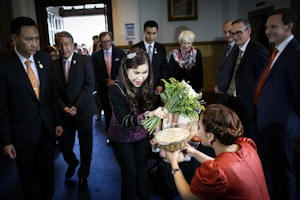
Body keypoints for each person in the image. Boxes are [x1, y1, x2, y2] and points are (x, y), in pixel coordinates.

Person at [0, 16, 63, 200]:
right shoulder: (4, 66)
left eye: (36, 38)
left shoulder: (44, 59)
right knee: (29, 179)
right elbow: (1, 107)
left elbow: (52, 94)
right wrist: (5, 140)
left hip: (46, 130)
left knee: (48, 174)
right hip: (21, 135)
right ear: (14, 38)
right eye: (29, 39)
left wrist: (58, 121)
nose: (35, 44)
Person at [165, 104, 270, 200]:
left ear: (210, 136)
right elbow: (227, 167)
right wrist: (194, 153)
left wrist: (174, 164)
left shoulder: (216, 170)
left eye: (199, 127)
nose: (197, 132)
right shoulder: (246, 145)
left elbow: (189, 197)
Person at [108, 47, 168, 200]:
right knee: (130, 173)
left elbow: (150, 110)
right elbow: (125, 121)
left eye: (145, 72)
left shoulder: (147, 83)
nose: (141, 77)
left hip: (141, 133)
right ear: (126, 69)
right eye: (136, 72)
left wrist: (154, 132)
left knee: (142, 170)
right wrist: (150, 114)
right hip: (121, 135)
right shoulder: (116, 88)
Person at [255, 9, 300, 200]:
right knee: (274, 171)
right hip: (269, 125)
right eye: (266, 27)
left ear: (289, 26)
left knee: (284, 174)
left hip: (282, 127)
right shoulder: (277, 51)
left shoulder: (295, 53)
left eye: (273, 26)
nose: (267, 31)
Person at [54, 31, 96, 189]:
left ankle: (83, 174)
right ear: (56, 46)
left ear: (73, 45)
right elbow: (54, 91)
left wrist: (76, 106)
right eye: (60, 44)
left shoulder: (85, 60)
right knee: (64, 145)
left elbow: (90, 85)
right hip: (64, 114)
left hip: (83, 111)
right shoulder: (54, 64)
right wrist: (63, 107)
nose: (63, 48)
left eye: (66, 44)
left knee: (86, 146)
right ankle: (72, 162)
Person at [225, 19, 268, 146]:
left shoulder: (258, 50)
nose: (235, 36)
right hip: (235, 102)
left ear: (249, 31)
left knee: (251, 140)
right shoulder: (236, 50)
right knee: (238, 139)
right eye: (233, 34)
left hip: (250, 106)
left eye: (239, 32)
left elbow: (264, 81)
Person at [92, 31, 125, 140]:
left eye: (108, 41)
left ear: (112, 40)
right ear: (100, 42)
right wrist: (107, 82)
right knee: (107, 113)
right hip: (104, 89)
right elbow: (95, 73)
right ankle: (110, 136)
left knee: (120, 111)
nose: (106, 44)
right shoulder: (96, 55)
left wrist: (114, 81)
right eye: (103, 42)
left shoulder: (120, 53)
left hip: (119, 88)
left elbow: (124, 70)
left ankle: (121, 135)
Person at [131, 20, 169, 97]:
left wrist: (161, 85)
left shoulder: (161, 48)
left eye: (154, 33)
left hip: (156, 88)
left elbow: (164, 69)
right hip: (140, 88)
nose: (151, 36)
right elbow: (132, 69)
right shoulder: (135, 48)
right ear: (144, 32)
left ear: (157, 32)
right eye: (148, 33)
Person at [214, 20, 238, 103]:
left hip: (232, 92)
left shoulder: (239, 48)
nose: (227, 35)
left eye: (230, 32)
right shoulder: (226, 48)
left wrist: (220, 86)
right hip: (223, 92)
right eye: (225, 32)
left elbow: (235, 72)